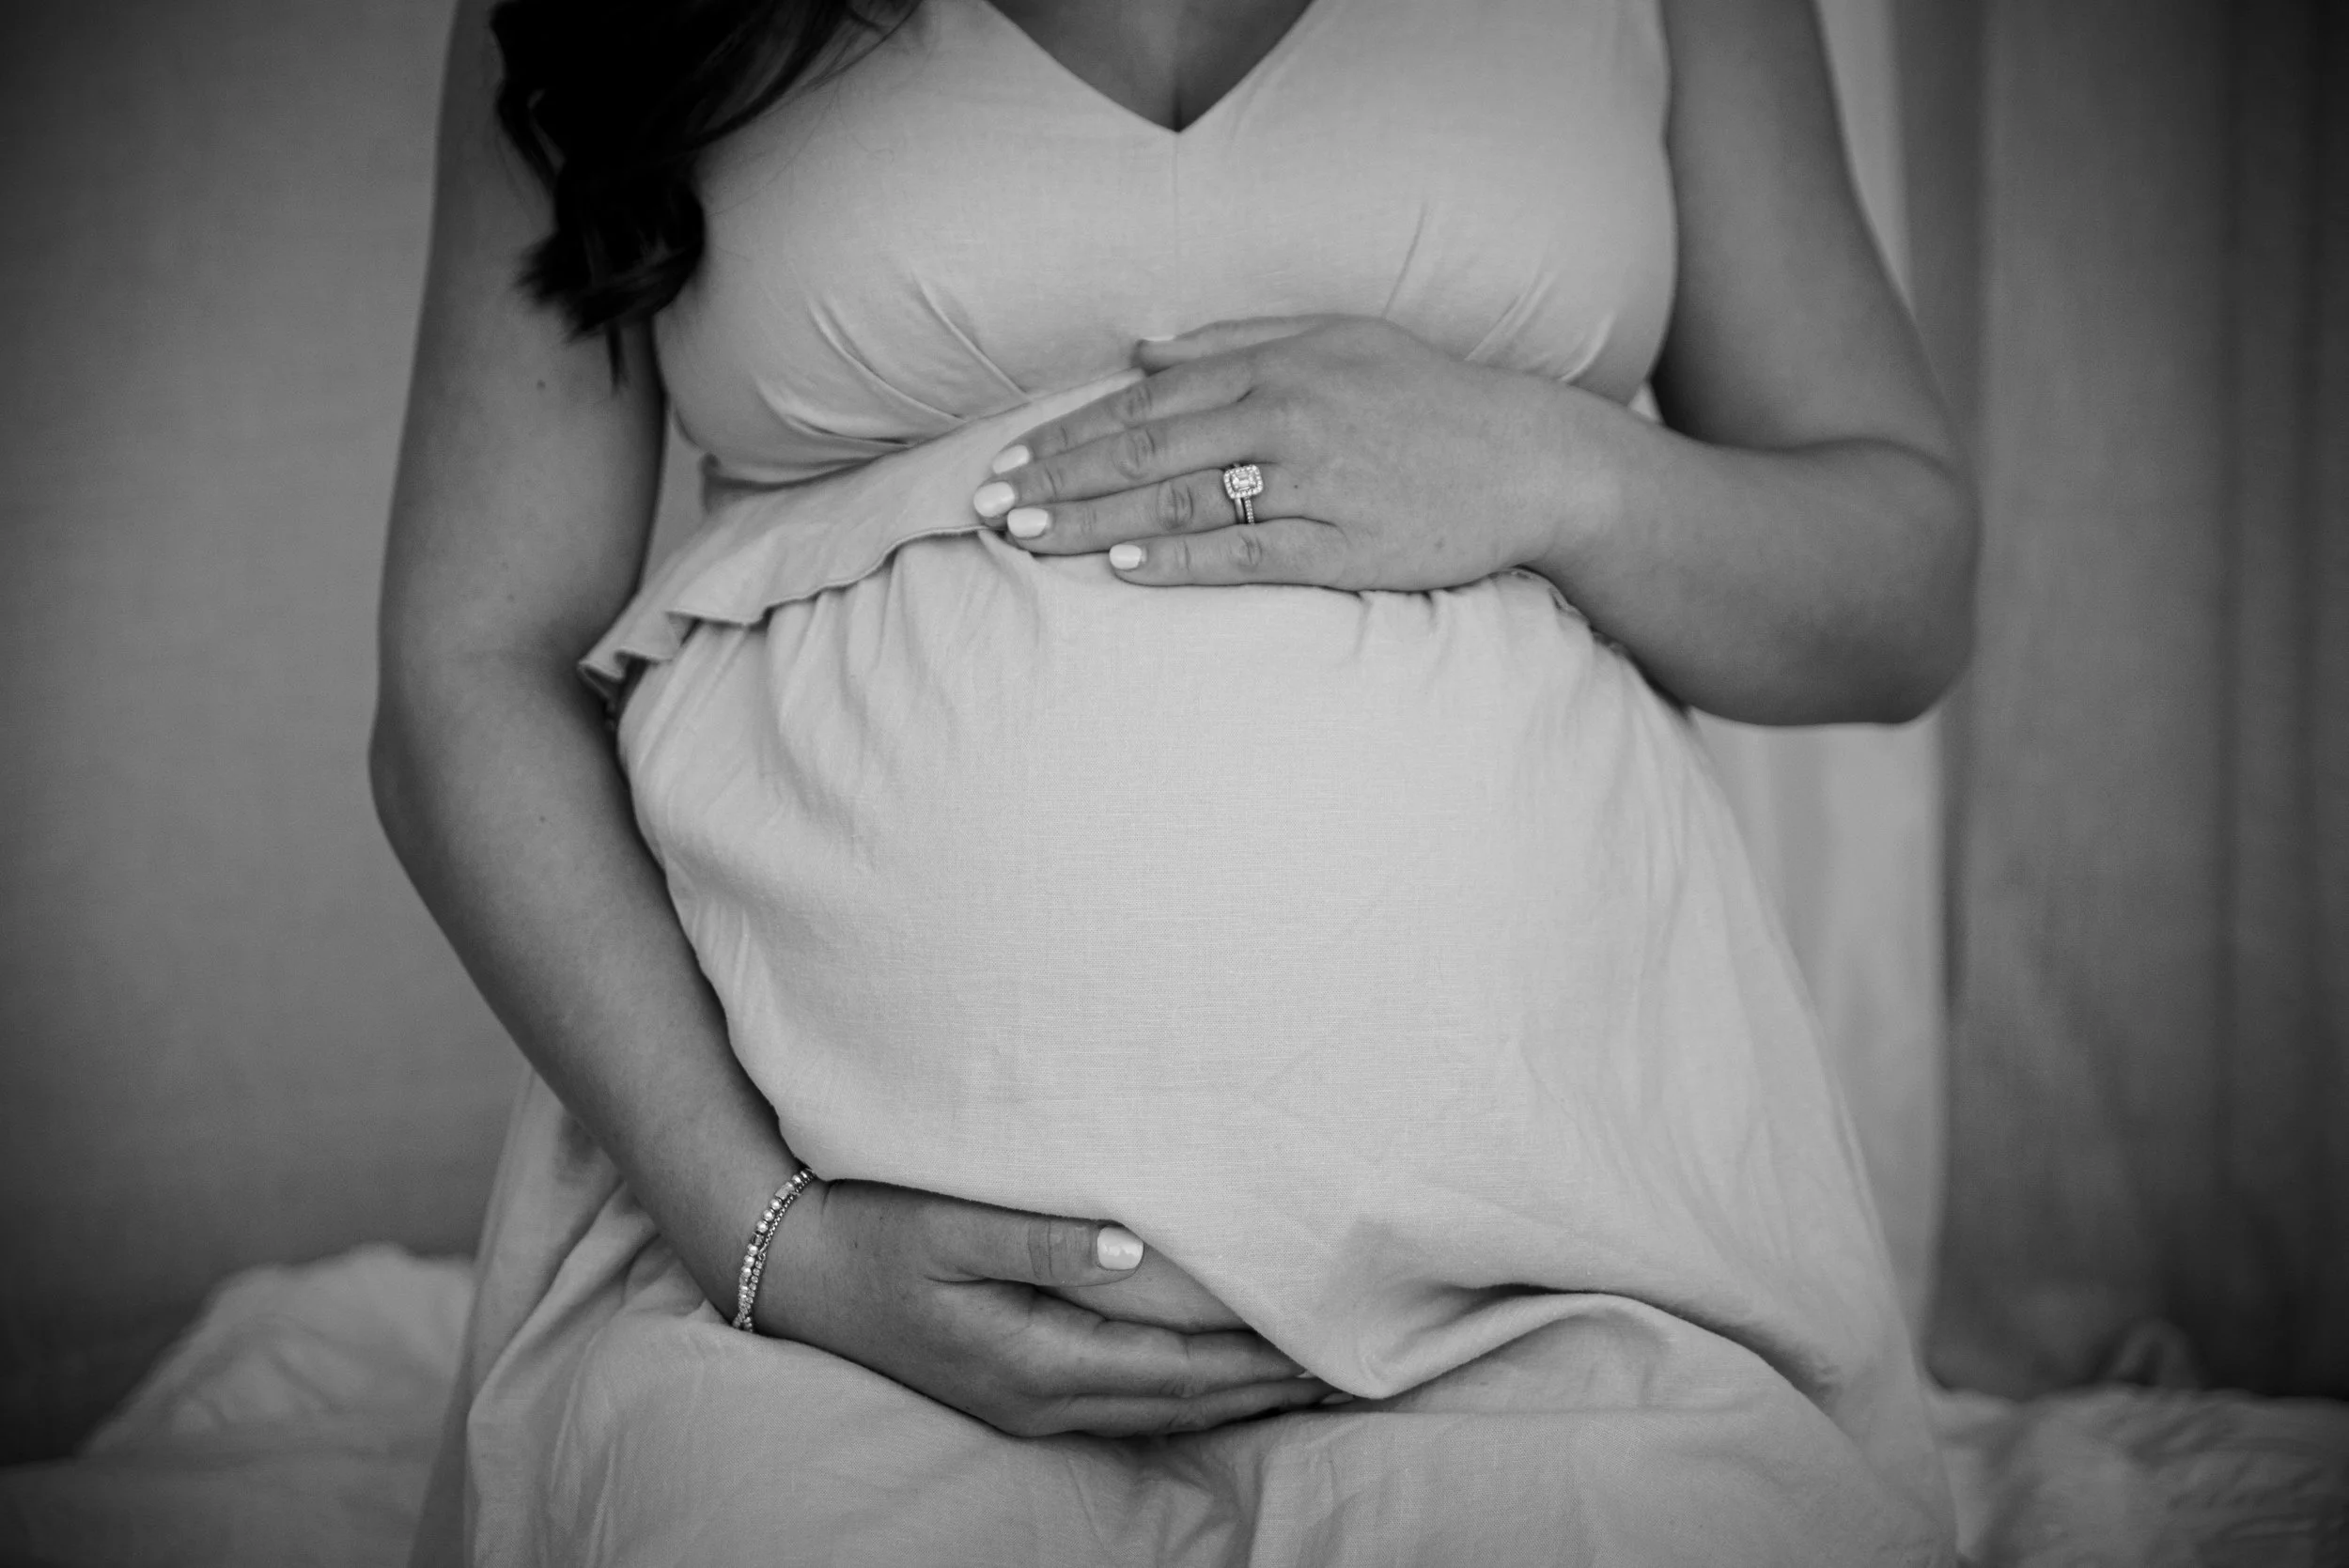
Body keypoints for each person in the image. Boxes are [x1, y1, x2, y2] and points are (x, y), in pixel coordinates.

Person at [377, 0, 1976, 1560]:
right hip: (822, 1312)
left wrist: (1560, 471)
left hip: (1568, 1286)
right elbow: (470, 668)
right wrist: (768, 1240)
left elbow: (1903, 591)